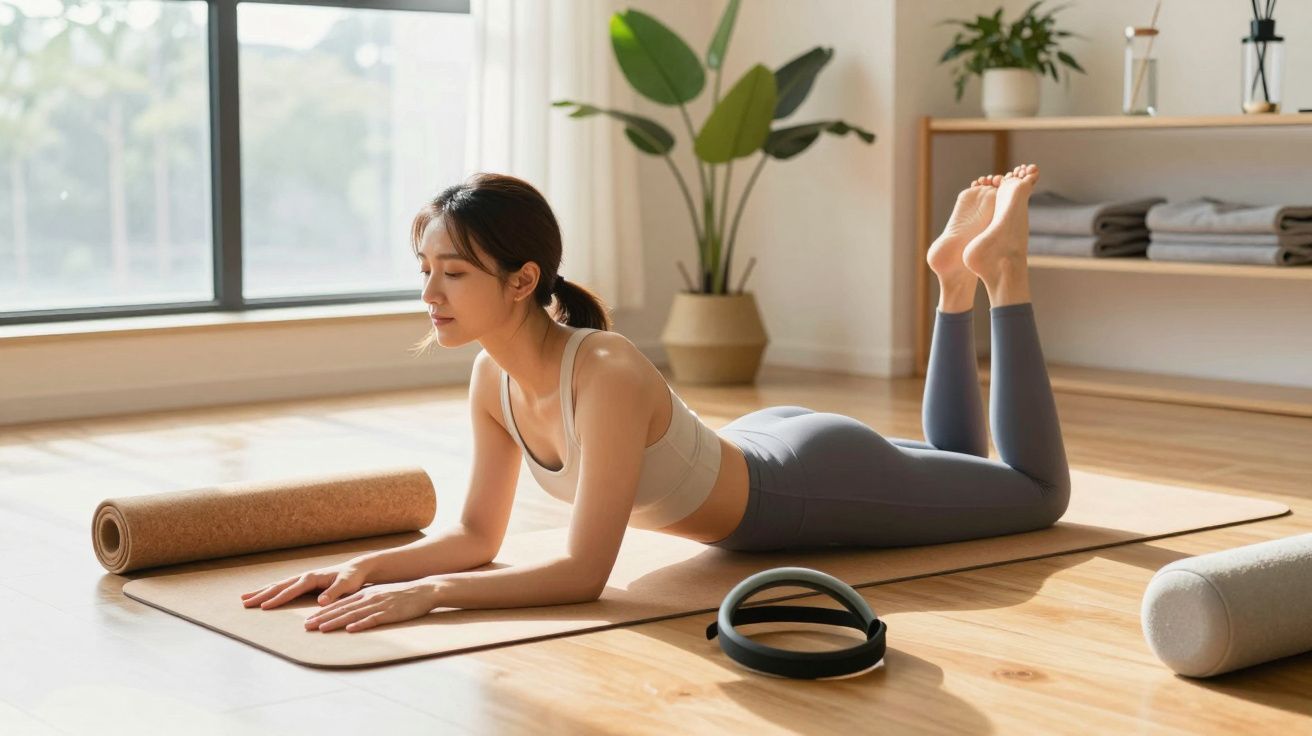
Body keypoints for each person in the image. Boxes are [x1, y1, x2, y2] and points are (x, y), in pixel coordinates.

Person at [241, 166, 1069, 633]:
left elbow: (583, 573)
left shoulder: (603, 368)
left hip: (804, 486)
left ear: (523, 280)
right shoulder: (491, 377)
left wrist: (434, 594)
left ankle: (1004, 276)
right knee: (967, 472)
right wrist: (367, 566)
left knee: (1038, 495)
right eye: (424, 269)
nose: (431, 292)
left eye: (453, 273)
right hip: (764, 447)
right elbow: (475, 534)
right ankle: (954, 285)